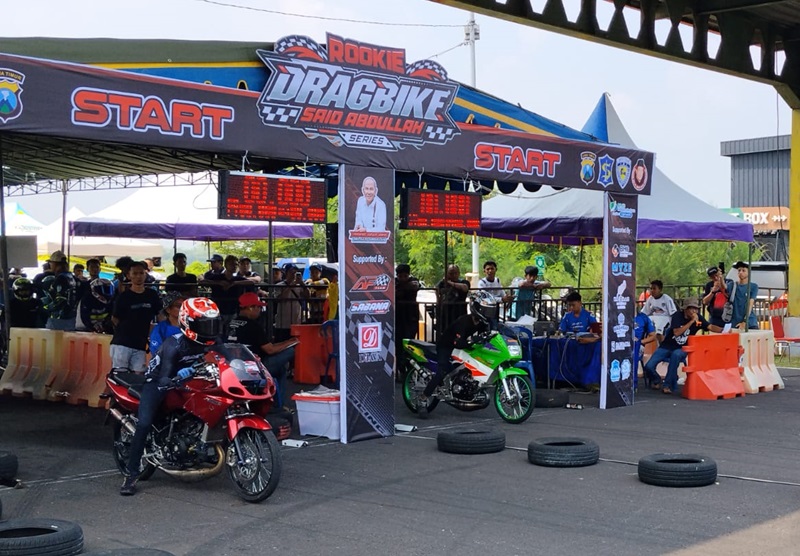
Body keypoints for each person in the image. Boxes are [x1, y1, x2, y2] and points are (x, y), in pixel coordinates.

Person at [120, 297, 223, 496]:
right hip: (158, 381)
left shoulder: (213, 341)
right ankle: (131, 474)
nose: (210, 329)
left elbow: (230, 358)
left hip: (190, 379)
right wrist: (176, 377)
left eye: (213, 324)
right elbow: (165, 375)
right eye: (204, 324)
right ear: (188, 323)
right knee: (144, 423)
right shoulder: (174, 344)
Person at [417, 296, 491, 418]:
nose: (488, 313)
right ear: (477, 310)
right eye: (485, 309)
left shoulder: (482, 323)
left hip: (462, 347)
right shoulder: (463, 322)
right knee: (442, 371)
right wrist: (472, 341)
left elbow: (489, 333)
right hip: (446, 346)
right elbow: (458, 342)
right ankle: (423, 398)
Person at [226, 292, 297, 409]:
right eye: (258, 307)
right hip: (254, 367)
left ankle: (276, 404)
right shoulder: (253, 326)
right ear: (250, 307)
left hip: (233, 365)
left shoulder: (229, 323)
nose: (260, 310)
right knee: (290, 352)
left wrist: (285, 342)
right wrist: (290, 343)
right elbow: (270, 350)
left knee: (280, 370)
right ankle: (278, 406)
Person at [643, 296, 723, 394]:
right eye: (692, 308)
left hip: (682, 347)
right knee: (649, 366)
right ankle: (657, 380)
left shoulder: (698, 318)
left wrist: (723, 330)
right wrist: (691, 322)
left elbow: (709, 326)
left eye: (696, 309)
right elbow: (677, 332)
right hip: (667, 345)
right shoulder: (677, 316)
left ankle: (667, 385)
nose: (694, 311)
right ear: (686, 309)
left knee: (676, 355)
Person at [110, 260, 162, 372]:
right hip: (122, 344)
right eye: (135, 273)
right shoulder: (123, 297)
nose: (139, 276)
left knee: (138, 374)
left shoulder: (152, 295)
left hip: (140, 345)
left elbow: (160, 314)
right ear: (129, 275)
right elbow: (115, 318)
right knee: (120, 374)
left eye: (141, 273)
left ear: (145, 274)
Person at [201, 254, 251, 329]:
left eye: (235, 264)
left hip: (233, 310)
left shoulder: (237, 279)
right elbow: (202, 281)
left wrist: (235, 283)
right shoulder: (217, 277)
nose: (234, 266)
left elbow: (251, 282)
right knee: (219, 331)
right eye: (231, 264)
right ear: (226, 265)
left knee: (232, 332)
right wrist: (218, 283)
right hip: (219, 310)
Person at [43, 250, 79, 331]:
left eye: (51, 263)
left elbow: (60, 299)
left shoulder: (60, 278)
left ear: (56, 264)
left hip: (58, 319)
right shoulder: (71, 276)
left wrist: (46, 308)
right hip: (71, 317)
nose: (50, 265)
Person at [274, 263, 309, 342]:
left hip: (296, 321)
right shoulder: (280, 285)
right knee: (282, 343)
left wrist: (302, 284)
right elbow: (280, 298)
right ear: (286, 273)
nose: (293, 274)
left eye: (295, 272)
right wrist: (292, 285)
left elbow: (307, 296)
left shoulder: (299, 285)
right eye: (291, 272)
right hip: (283, 323)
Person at [435, 264, 470, 336]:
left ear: (459, 273)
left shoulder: (463, 282)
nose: (454, 275)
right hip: (446, 314)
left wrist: (450, 283)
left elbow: (465, 288)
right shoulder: (442, 283)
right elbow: (437, 290)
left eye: (455, 273)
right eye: (451, 273)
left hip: (459, 313)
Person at [395, 264, 421, 346]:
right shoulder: (394, 282)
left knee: (410, 340)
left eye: (405, 276)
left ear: (409, 275)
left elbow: (415, 286)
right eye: (400, 276)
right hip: (398, 316)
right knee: (398, 340)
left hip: (411, 315)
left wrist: (400, 288)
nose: (403, 279)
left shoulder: (414, 281)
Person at [730, 261, 759, 330]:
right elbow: (724, 288)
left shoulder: (753, 286)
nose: (741, 272)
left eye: (743, 270)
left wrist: (745, 321)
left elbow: (750, 303)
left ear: (748, 273)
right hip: (735, 322)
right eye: (739, 270)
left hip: (750, 322)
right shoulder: (732, 285)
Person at [633, 310, 658, 389]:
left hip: (638, 345)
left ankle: (633, 384)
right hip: (622, 344)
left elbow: (653, 336)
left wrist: (640, 342)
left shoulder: (643, 318)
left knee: (633, 353)